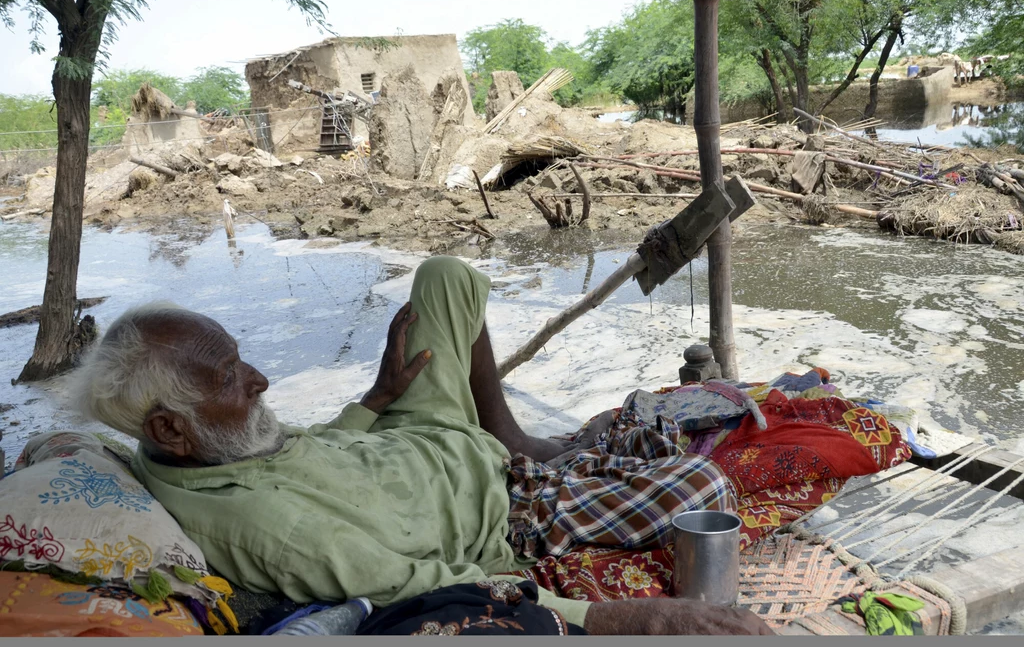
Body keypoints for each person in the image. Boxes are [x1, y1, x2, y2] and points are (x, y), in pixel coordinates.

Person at [72, 256, 772, 636]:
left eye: (239, 359)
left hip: (411, 435)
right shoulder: (267, 532)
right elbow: (425, 586)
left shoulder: (192, 442)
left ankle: (507, 431)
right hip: (498, 502)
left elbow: (305, 447)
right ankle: (517, 455)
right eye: (231, 377)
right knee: (703, 488)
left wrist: (377, 398)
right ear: (169, 426)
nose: (259, 379)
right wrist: (625, 617)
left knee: (444, 276)